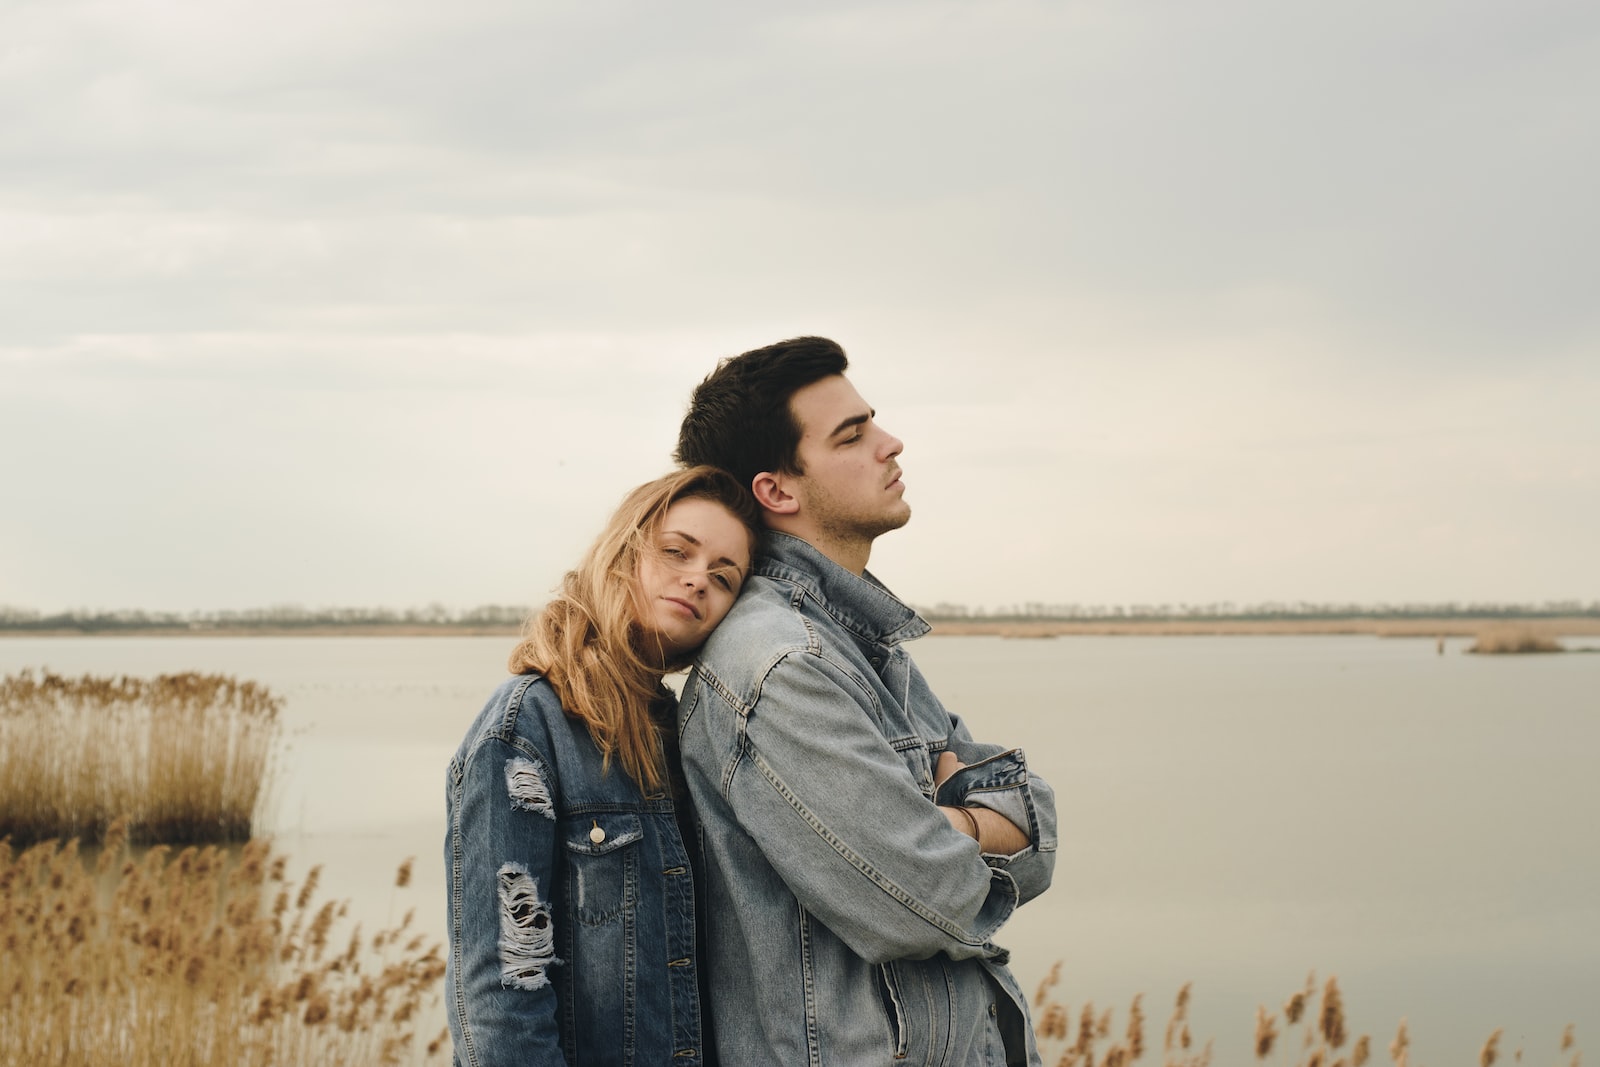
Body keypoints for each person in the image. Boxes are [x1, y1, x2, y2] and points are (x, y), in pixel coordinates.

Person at [673, 337, 1058, 1066]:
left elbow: (1038, 823)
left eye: (872, 421)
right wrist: (975, 821)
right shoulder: (781, 666)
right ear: (778, 489)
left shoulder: (867, 648)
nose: (891, 443)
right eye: (852, 435)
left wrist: (947, 824)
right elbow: (924, 894)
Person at [444, 465, 761, 1067]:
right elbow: (502, 993)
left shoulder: (686, 733)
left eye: (723, 578)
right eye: (677, 552)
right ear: (623, 552)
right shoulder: (526, 728)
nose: (698, 581)